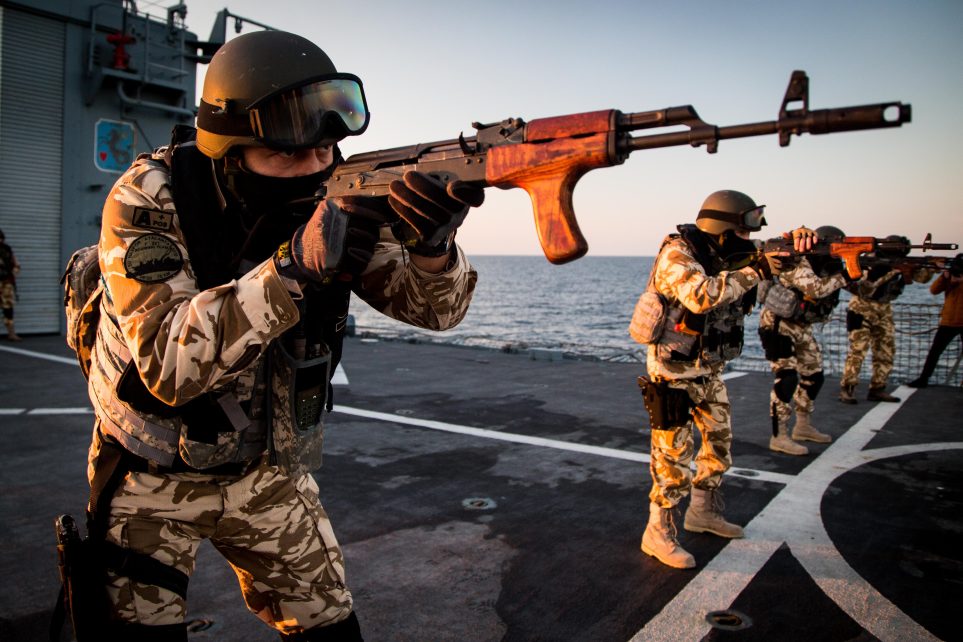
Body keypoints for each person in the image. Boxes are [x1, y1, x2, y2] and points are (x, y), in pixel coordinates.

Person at [81, 30, 484, 640]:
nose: (314, 169)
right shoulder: (150, 198)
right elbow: (166, 363)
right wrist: (291, 269)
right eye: (289, 156)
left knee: (331, 629)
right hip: (152, 473)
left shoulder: (338, 193)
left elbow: (434, 311)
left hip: (267, 470)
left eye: (326, 151)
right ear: (231, 150)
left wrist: (433, 251)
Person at [630, 189, 815, 569]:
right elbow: (700, 295)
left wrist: (796, 245)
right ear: (723, 230)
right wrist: (759, 269)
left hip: (708, 370)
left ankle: (702, 513)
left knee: (718, 446)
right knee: (672, 460)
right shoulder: (678, 254)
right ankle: (658, 532)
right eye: (743, 233)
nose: (749, 242)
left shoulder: (726, 254)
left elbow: (770, 260)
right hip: (673, 372)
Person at [757, 225, 849, 456]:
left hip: (801, 326)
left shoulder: (829, 266)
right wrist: (849, 275)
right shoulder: (797, 260)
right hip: (777, 325)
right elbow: (815, 289)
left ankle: (803, 426)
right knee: (786, 378)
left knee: (814, 375)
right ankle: (779, 436)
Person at [839, 261, 931, 404]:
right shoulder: (868, 264)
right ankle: (847, 388)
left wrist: (929, 268)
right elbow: (858, 287)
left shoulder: (898, 266)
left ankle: (878, 388)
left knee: (886, 351)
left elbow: (922, 278)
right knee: (857, 351)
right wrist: (887, 272)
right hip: (861, 310)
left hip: (884, 310)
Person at [908, 254, 963, 388]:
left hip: (954, 320)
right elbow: (934, 290)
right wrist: (945, 277)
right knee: (935, 352)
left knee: (935, 351)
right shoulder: (949, 275)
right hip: (949, 320)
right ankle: (923, 379)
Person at [0, 228, 22, 341]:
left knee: (8, 309)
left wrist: (11, 274)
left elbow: (16, 265)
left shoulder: (6, 250)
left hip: (6, 283)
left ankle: (11, 333)